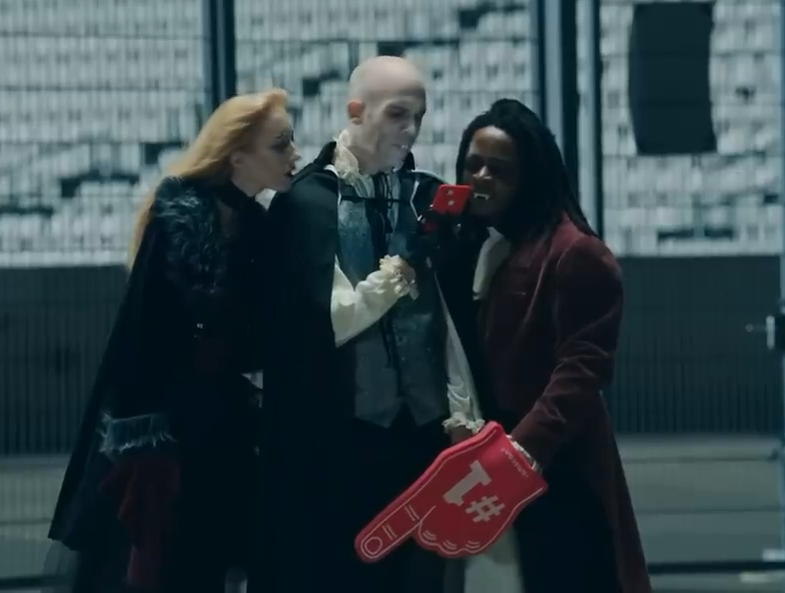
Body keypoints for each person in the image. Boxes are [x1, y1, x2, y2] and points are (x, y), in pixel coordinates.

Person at [45, 88, 300, 593]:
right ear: (237, 156)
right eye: (280, 145)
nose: (293, 154)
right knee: (156, 568)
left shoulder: (259, 225)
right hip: (164, 432)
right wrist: (145, 445)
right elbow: (140, 337)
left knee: (213, 563)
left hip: (223, 425)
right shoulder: (180, 216)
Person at [257, 56, 478, 593]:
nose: (411, 129)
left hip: (425, 435)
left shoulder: (428, 197)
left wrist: (461, 411)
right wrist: (406, 265)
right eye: (397, 114)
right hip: (339, 439)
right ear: (356, 111)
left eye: (419, 116)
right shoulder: (308, 202)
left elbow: (452, 320)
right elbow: (322, 323)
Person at [434, 98, 651, 593]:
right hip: (483, 465)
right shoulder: (468, 244)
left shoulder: (575, 253)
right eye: (473, 164)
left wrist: (521, 451)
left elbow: (582, 369)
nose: (482, 178)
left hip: (553, 470)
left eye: (500, 170)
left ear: (529, 178)